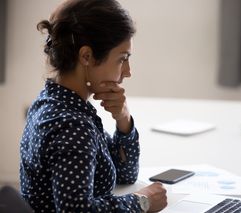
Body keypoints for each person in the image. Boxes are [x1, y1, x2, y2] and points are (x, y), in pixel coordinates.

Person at [19, 0, 167, 212]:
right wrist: (142, 202)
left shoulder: (54, 101)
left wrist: (123, 118)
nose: (128, 71)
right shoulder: (72, 126)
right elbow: (78, 210)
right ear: (86, 56)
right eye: (122, 59)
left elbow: (125, 174)